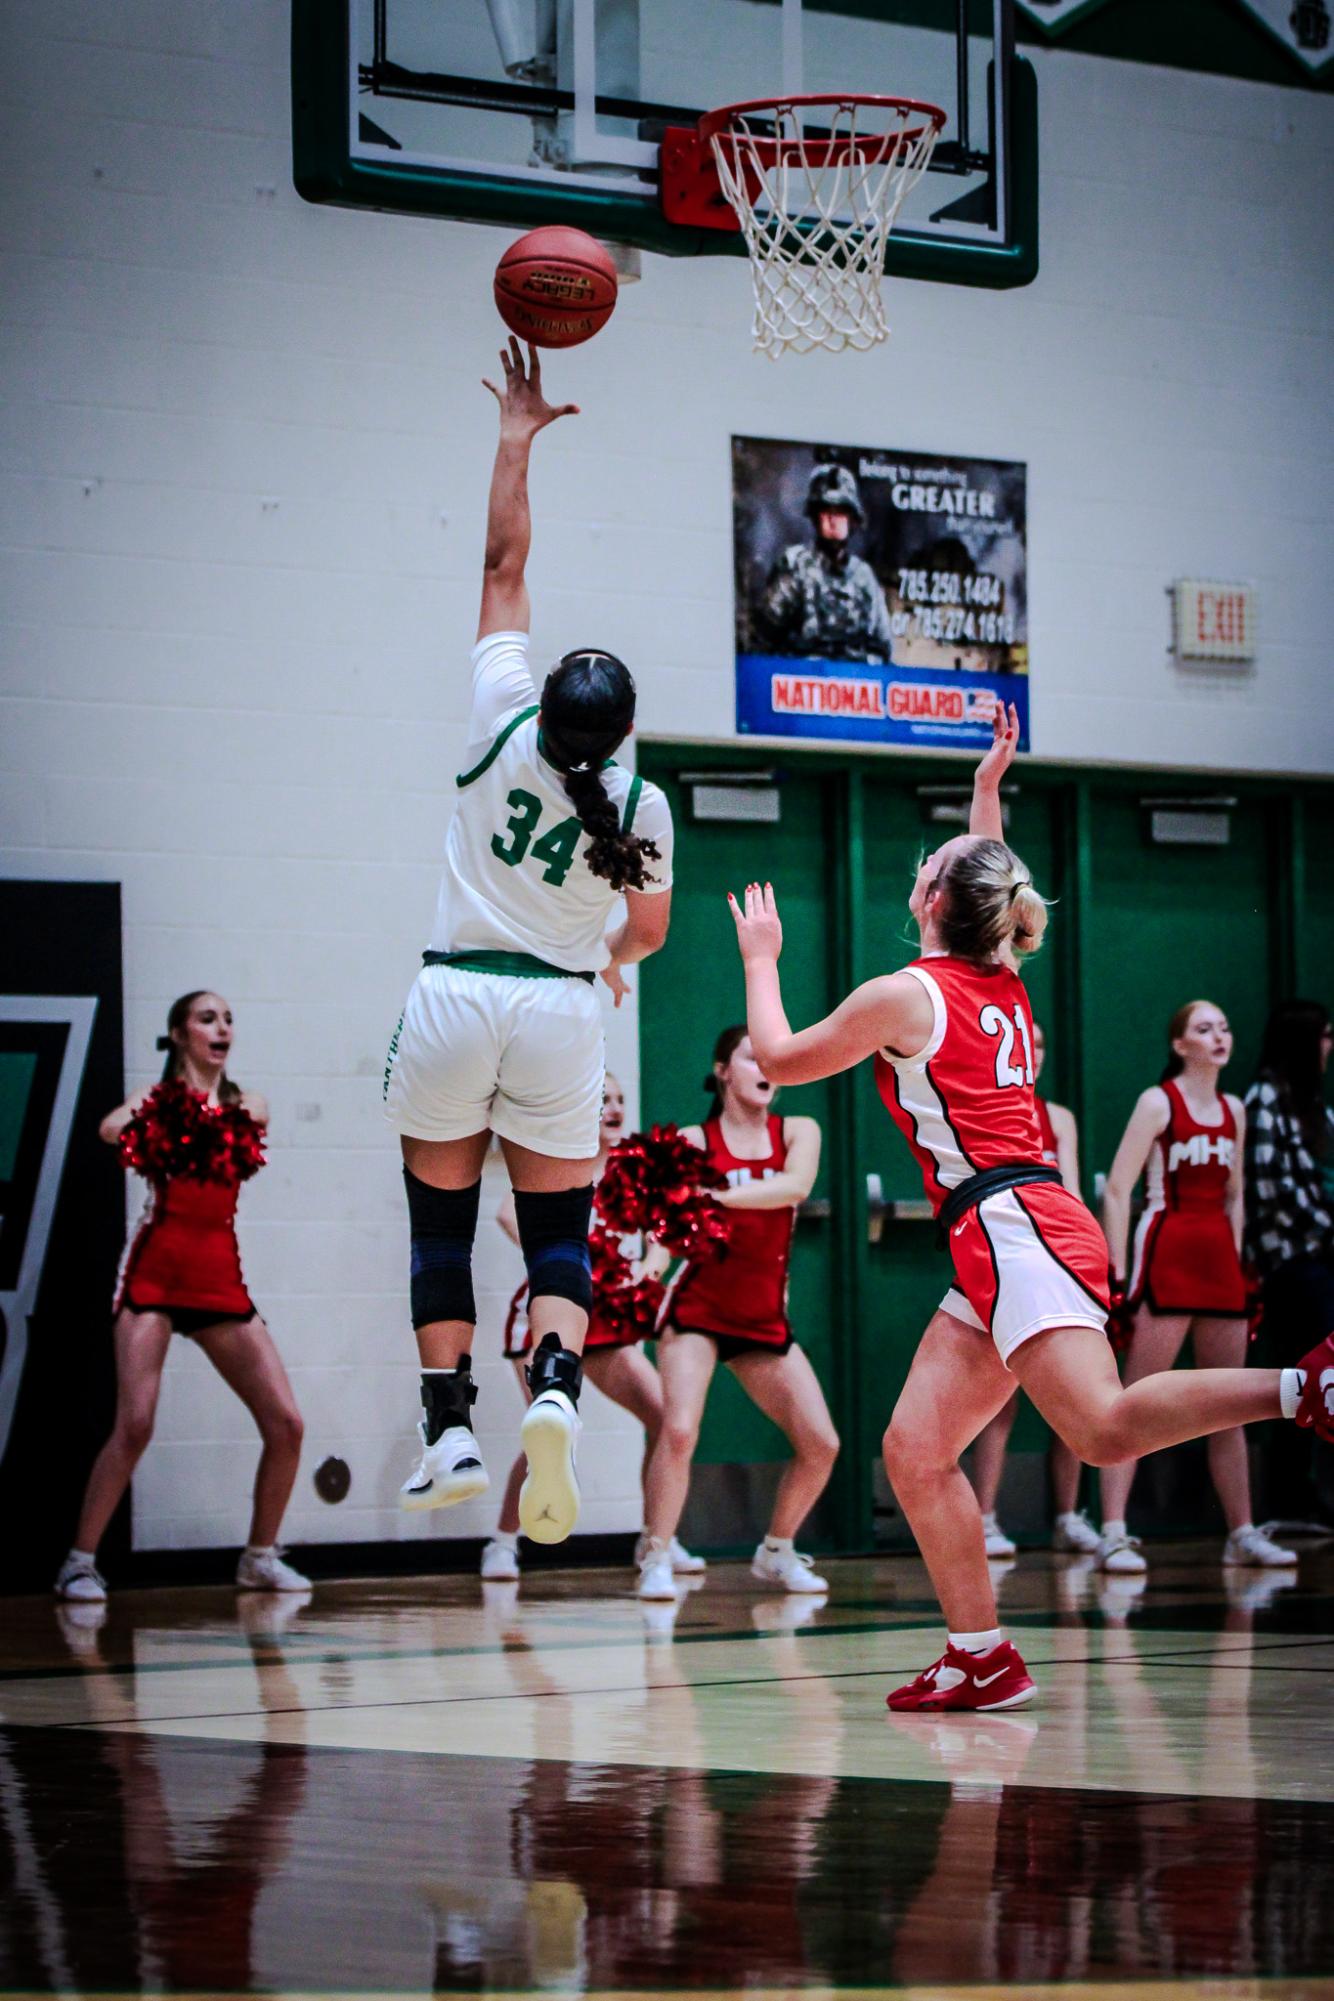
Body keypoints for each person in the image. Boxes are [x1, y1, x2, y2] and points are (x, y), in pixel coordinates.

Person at [727, 703, 1334, 1711]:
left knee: (1097, 1429)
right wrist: (983, 790)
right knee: (914, 1451)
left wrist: (759, 956)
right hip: (1007, 1234)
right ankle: (979, 1653)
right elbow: (989, 874)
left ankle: (1300, 1389)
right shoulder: (995, 974)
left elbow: (780, 1060)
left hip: (1015, 1230)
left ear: (928, 895)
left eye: (935, 859)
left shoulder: (908, 993)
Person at [383, 339, 674, 1548]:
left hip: (453, 997)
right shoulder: (644, 806)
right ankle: (555, 1393)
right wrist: (606, 960)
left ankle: (449, 1429)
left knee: (439, 1232)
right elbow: (644, 932)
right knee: (557, 1237)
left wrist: (515, 435)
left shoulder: (497, 718)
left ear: (547, 704)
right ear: (617, 737)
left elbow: (503, 561)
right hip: (561, 1012)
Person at [55, 991, 308, 1602]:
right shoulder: (155, 1100)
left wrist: (187, 1113)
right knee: (136, 1423)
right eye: (206, 1019)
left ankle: (259, 1557)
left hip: (221, 1280)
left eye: (228, 1018)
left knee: (286, 1423)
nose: (221, 1027)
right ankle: (79, 1563)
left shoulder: (248, 1105)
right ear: (178, 1035)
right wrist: (165, 1107)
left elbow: (245, 1124)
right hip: (155, 1278)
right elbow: (111, 1130)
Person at [636, 1028, 839, 1602]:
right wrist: (648, 1267)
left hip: (762, 1317)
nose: (766, 1066)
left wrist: (716, 1197)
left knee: (822, 1443)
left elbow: (794, 1187)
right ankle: (656, 1555)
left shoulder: (799, 1131)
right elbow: (665, 1231)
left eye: (772, 1058)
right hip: (698, 1309)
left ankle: (776, 1550)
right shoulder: (691, 1143)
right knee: (678, 1430)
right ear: (724, 1070)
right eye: (753, 1056)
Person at [480, 1072, 704, 1583]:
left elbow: (663, 1236)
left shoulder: (635, 1167)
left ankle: (656, 1541)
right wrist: (571, 1257)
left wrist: (652, 1264)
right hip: (548, 1320)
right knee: (551, 1436)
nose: (615, 1107)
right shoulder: (560, 1160)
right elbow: (507, 1213)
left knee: (668, 1420)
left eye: (621, 1099)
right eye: (604, 1098)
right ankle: (503, 1542)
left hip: (610, 1321)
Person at [1097, 1002, 1293, 1574]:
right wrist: (1118, 1274)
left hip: (1217, 1262)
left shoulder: (1235, 1109)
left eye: (1225, 1027)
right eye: (1204, 1028)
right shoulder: (1159, 1101)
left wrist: (1234, 1260)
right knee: (1135, 1398)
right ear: (1180, 1044)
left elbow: (1236, 1193)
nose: (1219, 1036)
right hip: (1168, 1254)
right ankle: (1114, 1529)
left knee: (1227, 1403)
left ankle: (1243, 1532)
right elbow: (1117, 1188)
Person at [967, 1019, 1100, 1559]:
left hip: (1059, 1256)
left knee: (1077, 1396)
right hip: (1003, 1253)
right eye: (1031, 1042)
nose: (1035, 1052)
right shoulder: (988, 1106)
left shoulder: (1058, 1118)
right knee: (997, 1402)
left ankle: (1068, 1515)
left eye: (1043, 1045)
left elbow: (1068, 1188)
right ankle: (985, 1515)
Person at [1244, 999, 1334, 1526]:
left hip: (1320, 1257)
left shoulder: (1315, 1105)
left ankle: (1312, 1492)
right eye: (1322, 1036)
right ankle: (1291, 1496)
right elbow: (1271, 1189)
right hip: (1292, 1264)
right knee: (1306, 1376)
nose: (1328, 1046)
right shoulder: (1266, 1099)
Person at [757, 463, 894, 664]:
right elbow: (763, 637)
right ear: (815, 517)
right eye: (825, 511)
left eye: (840, 512)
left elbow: (884, 648)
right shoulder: (795, 566)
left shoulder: (864, 577)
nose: (832, 520)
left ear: (852, 519)